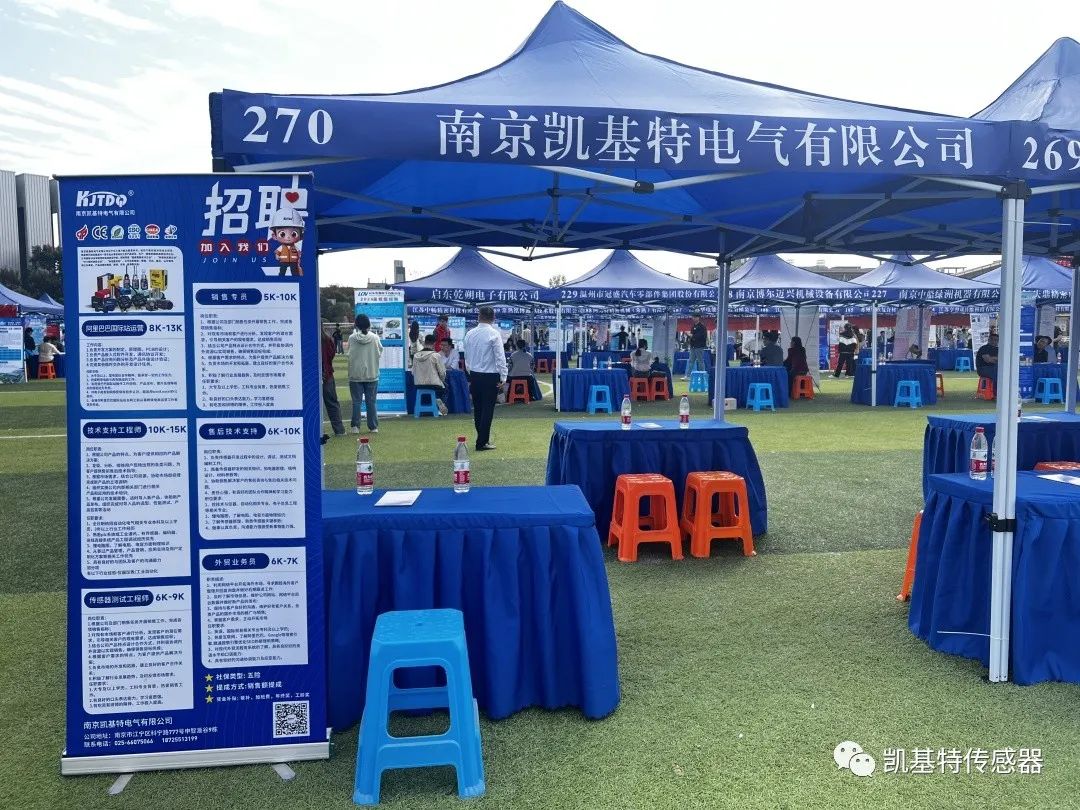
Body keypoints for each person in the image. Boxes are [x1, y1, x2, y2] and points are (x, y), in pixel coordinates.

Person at [463, 305, 507, 451]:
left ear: (479, 316)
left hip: (475, 374)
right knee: (488, 409)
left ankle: (482, 439)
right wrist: (503, 376)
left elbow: (466, 356)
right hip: (490, 376)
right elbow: (500, 357)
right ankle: (482, 441)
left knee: (478, 408)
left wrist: (470, 372)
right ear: (493, 318)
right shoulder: (494, 334)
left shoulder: (470, 334)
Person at [348, 314, 383, 434]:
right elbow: (380, 352)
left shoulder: (352, 338)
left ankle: (355, 426)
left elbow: (349, 353)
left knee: (356, 402)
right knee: (371, 402)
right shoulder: (375, 338)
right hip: (372, 374)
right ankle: (373, 427)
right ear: (368, 324)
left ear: (356, 324)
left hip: (355, 374)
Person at [412, 334, 448, 414]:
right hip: (433, 384)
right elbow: (442, 372)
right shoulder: (435, 355)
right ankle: (439, 402)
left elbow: (413, 372)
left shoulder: (415, 356)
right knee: (445, 388)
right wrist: (442, 381)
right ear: (434, 343)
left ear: (425, 342)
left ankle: (426, 408)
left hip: (418, 384)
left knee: (428, 391)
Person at [321, 328, 345, 436]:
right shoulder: (326, 339)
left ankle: (315, 430)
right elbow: (331, 354)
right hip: (327, 374)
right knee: (332, 403)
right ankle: (339, 430)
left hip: (314, 376)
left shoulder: (307, 337)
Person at [685, 314, 708, 379]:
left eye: (695, 317)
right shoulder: (693, 327)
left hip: (699, 346)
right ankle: (688, 375)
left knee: (700, 361)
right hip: (693, 346)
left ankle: (702, 375)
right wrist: (689, 336)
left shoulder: (702, 327)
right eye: (693, 317)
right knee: (691, 361)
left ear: (698, 318)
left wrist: (692, 335)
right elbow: (692, 336)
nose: (694, 318)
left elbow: (702, 336)